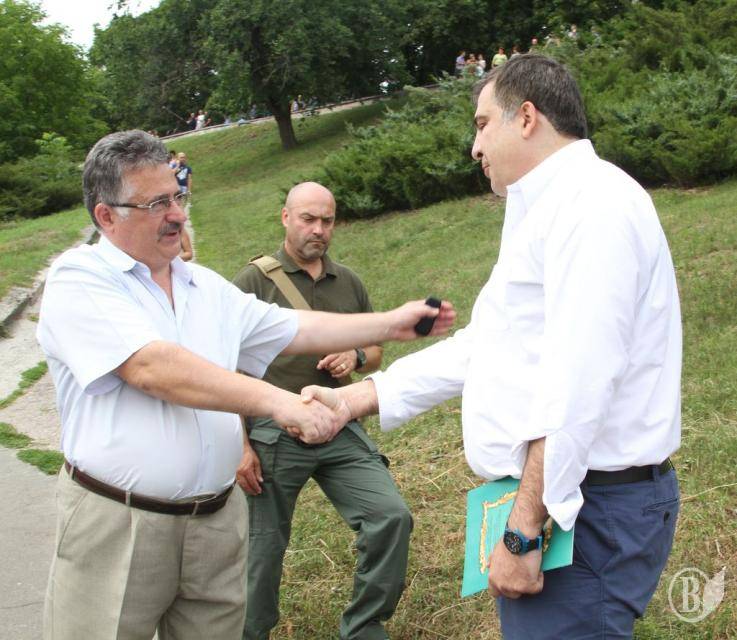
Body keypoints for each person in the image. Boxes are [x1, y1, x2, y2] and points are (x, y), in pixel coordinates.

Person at [302, 54, 681, 639]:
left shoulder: (593, 207)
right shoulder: (546, 206)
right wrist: (356, 398)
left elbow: (579, 382)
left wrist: (524, 529)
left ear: (526, 118)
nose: (474, 147)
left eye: (482, 125)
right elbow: (487, 345)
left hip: (585, 506)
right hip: (568, 496)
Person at [37, 130, 455, 640]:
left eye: (177, 197)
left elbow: (293, 328)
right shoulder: (80, 277)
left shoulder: (203, 286)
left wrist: (391, 323)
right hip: (119, 524)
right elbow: (152, 367)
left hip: (214, 524)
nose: (177, 215)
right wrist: (281, 403)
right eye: (157, 204)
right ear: (107, 216)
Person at [232, 182, 412, 640]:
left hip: (337, 424)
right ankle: (251, 632)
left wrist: (354, 356)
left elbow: (375, 351)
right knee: (262, 549)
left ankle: (364, 627)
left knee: (390, 516)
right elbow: (223, 369)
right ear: (285, 217)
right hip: (273, 431)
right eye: (308, 219)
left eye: (327, 221)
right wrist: (240, 447)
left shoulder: (347, 281)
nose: (318, 230)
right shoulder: (252, 283)